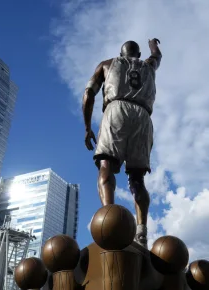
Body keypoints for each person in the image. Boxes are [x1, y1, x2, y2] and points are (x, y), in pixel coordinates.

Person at [82, 38, 162, 248]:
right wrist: (153, 45)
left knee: (106, 165)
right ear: (137, 55)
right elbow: (157, 56)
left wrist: (87, 127)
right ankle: (142, 233)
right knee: (137, 179)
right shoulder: (148, 66)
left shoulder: (107, 64)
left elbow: (89, 92)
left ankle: (110, 218)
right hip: (143, 117)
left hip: (116, 109)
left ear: (121, 53)